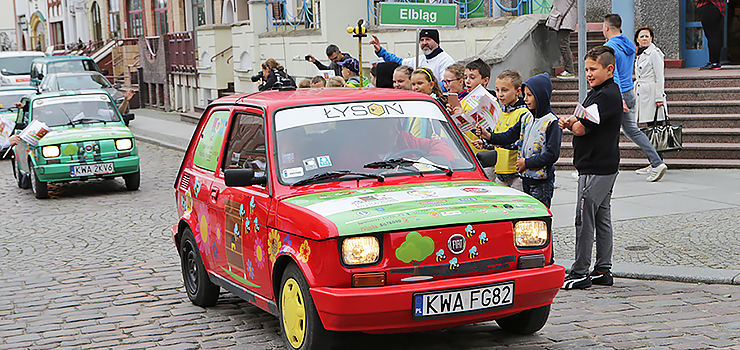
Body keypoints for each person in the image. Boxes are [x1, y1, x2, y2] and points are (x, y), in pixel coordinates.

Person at [558, 46, 622, 290]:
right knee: (601, 217)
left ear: (609, 69)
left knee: (584, 218)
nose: (588, 74)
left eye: (593, 69)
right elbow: (582, 117)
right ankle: (603, 270)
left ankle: (580, 271)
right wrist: (573, 121)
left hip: (596, 166)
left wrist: (570, 124)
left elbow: (582, 127)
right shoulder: (600, 92)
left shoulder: (605, 95)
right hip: (603, 164)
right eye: (585, 69)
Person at [474, 73, 562, 208]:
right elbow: (509, 136)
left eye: (530, 95)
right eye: (525, 95)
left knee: (537, 216)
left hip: (541, 181)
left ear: (541, 95)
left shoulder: (552, 122)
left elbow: (552, 154)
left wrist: (527, 162)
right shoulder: (526, 118)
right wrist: (489, 136)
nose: (525, 99)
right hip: (525, 177)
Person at [603, 13, 667, 182]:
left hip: (618, 93)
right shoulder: (629, 45)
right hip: (630, 91)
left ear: (607, 28)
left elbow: (613, 73)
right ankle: (657, 162)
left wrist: (618, 98)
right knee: (633, 131)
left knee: (605, 129)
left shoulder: (610, 47)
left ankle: (596, 167)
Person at [476, 70, 531, 191]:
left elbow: (521, 143)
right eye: (497, 90)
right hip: (500, 172)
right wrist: (485, 142)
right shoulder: (499, 112)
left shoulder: (524, 113)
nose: (500, 94)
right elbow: (496, 137)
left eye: (504, 90)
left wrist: (499, 142)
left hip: (517, 174)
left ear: (518, 91)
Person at [368, 29, 456, 88]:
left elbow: (446, 84)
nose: (424, 43)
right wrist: (381, 51)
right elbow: (399, 62)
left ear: (436, 42)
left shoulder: (446, 60)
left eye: (428, 39)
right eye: (422, 40)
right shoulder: (419, 59)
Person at [634, 26, 668, 172]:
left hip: (653, 95)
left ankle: (657, 162)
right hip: (643, 94)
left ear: (651, 38)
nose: (644, 38)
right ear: (637, 39)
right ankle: (654, 162)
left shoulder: (654, 53)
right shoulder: (640, 54)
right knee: (650, 129)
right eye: (641, 36)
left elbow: (660, 76)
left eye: (647, 36)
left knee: (656, 129)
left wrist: (659, 97)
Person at [546, 0, 577, 77]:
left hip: (565, 20)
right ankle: (569, 69)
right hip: (566, 19)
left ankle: (570, 70)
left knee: (563, 45)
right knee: (563, 44)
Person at [696, 0, 726, 70]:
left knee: (712, 35)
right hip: (715, 7)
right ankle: (714, 62)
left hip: (710, 6)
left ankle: (714, 62)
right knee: (713, 35)